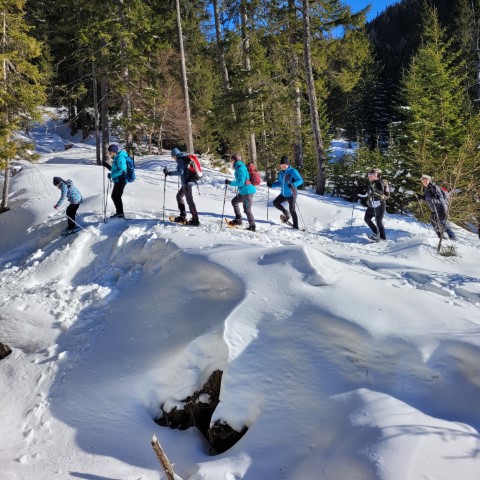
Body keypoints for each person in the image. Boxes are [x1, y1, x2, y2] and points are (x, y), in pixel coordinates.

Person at [164, 147, 200, 225]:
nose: (173, 158)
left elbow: (180, 172)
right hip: (188, 182)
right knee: (179, 196)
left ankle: (195, 219)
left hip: (187, 183)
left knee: (189, 200)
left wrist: (169, 173)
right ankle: (183, 215)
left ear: (175, 155)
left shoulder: (180, 159)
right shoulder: (183, 157)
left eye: (172, 156)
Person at [267, 155, 303, 229]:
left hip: (291, 194)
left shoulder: (293, 171)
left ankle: (296, 226)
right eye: (281, 165)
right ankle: (286, 213)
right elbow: (279, 183)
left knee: (292, 210)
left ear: (287, 164)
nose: (282, 167)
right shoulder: (281, 173)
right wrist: (272, 185)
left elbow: (301, 180)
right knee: (275, 203)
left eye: (283, 165)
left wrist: (293, 184)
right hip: (283, 194)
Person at [418, 174, 456, 240]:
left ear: (429, 180)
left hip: (440, 207)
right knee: (433, 221)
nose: (423, 182)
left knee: (442, 222)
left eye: (425, 180)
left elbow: (440, 197)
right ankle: (441, 237)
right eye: (422, 181)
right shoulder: (427, 189)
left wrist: (435, 201)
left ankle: (452, 236)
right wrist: (421, 197)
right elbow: (428, 199)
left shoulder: (433, 186)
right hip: (434, 208)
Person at [225, 153, 256, 231]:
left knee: (247, 210)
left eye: (231, 160)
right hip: (243, 191)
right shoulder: (238, 167)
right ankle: (238, 219)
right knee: (234, 201)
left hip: (248, 191)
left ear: (235, 160)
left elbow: (241, 182)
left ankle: (252, 226)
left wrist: (230, 182)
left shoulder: (240, 168)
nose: (230, 161)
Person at [358, 168, 389, 242]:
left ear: (375, 176)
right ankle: (377, 234)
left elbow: (381, 192)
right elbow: (367, 194)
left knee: (378, 221)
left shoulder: (379, 182)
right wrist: (358, 193)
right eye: (369, 176)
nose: (369, 177)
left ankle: (382, 238)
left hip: (379, 204)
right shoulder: (371, 183)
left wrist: (374, 191)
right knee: (367, 218)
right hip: (372, 204)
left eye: (371, 176)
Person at [103, 144, 128, 218]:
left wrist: (112, 175)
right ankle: (119, 212)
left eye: (110, 151)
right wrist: (107, 165)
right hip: (118, 180)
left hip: (121, 179)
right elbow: (115, 169)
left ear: (114, 151)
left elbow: (123, 170)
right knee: (114, 196)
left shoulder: (120, 158)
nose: (109, 153)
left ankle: (120, 213)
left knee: (117, 196)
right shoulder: (116, 157)